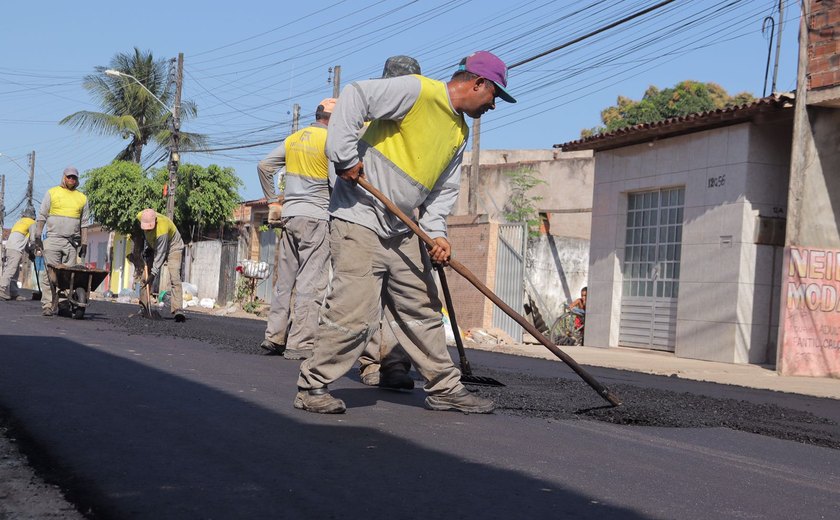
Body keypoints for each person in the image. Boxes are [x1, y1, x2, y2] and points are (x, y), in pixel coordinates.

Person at [295, 50, 516, 414]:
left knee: (423, 307)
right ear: (478, 83)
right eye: (494, 95)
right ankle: (312, 386)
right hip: (359, 217)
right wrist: (345, 157)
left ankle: (445, 387)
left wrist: (437, 233)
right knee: (353, 311)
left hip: (402, 228)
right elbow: (354, 96)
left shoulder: (459, 132)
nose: (494, 105)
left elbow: (442, 192)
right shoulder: (418, 91)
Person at [356, 55, 422, 390]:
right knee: (369, 297)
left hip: (407, 224)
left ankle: (395, 363)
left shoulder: (422, 130)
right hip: (366, 219)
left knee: (403, 297)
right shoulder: (366, 126)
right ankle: (370, 362)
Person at [257, 99, 336, 360]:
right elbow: (337, 184)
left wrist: (272, 200)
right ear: (333, 119)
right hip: (316, 218)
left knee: (285, 281)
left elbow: (264, 166)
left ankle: (274, 337)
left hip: (289, 217)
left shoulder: (294, 139)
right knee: (310, 282)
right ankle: (300, 343)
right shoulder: (331, 141)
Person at [36, 167, 90, 316]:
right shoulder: (52, 192)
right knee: (49, 274)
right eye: (69, 177)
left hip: (71, 243)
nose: (71, 180)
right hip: (53, 239)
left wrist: (84, 243)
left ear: (77, 179)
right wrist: (37, 236)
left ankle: (63, 305)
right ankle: (47, 304)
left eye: (74, 178)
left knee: (68, 276)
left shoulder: (82, 198)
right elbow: (42, 215)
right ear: (64, 177)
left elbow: (84, 223)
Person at [137, 208, 185, 321]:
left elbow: (161, 254)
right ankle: (143, 306)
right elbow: (147, 238)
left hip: (173, 247)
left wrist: (153, 274)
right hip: (155, 246)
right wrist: (148, 247)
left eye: (150, 228)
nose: (148, 231)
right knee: (144, 278)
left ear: (156, 222)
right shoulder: (140, 215)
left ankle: (178, 310)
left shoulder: (162, 228)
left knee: (175, 277)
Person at [0, 207, 37, 301]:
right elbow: (32, 240)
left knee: (15, 271)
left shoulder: (20, 222)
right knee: (11, 269)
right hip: (15, 249)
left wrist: (29, 251)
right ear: (33, 215)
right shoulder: (32, 223)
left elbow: (22, 240)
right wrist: (33, 250)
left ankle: (14, 293)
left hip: (10, 246)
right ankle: (1, 289)